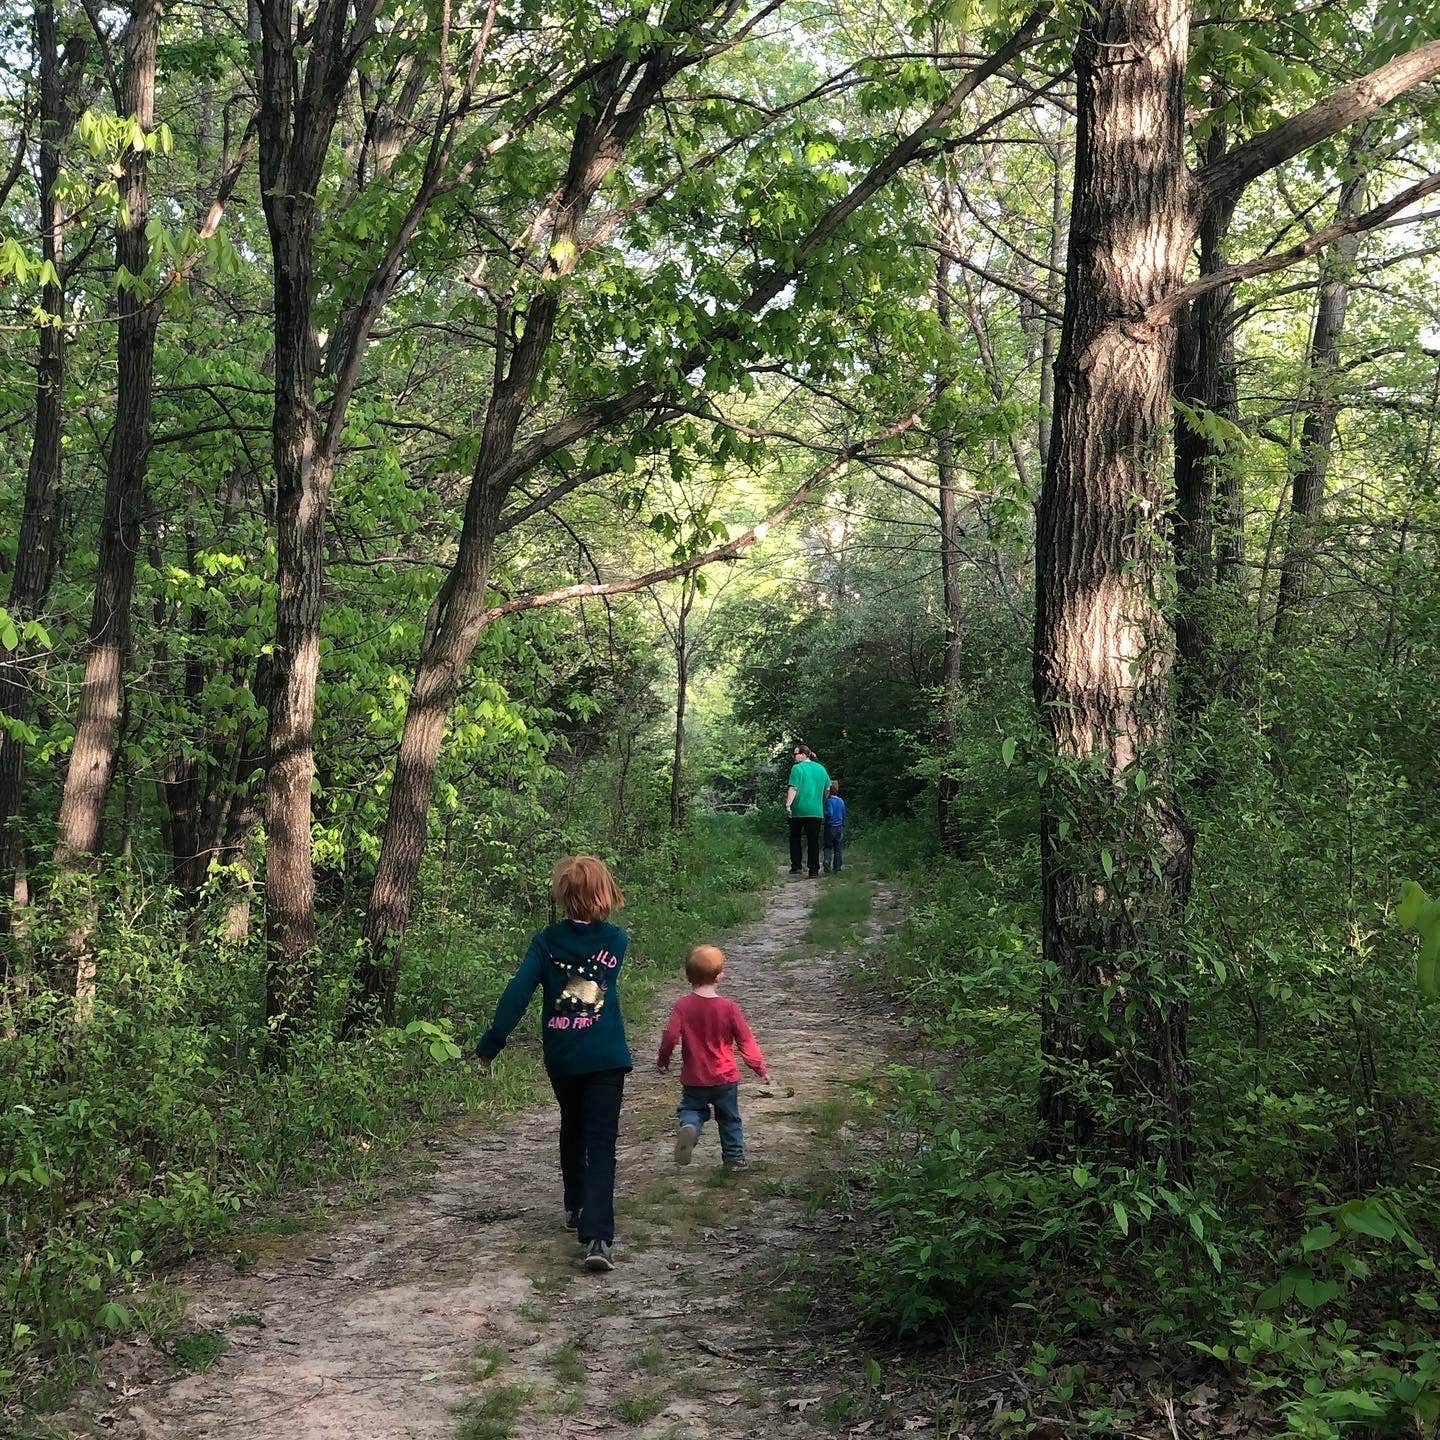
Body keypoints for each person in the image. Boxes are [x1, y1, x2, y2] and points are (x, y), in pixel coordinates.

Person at [475, 855, 630, 1273]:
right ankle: (598, 1236)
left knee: (573, 1127)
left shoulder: (544, 942)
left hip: (563, 1055)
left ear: (562, 896)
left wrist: (493, 1041)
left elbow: (517, 992)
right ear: (604, 894)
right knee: (601, 1141)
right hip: (606, 1055)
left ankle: (575, 1206)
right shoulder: (616, 940)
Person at [657, 943, 769, 1169]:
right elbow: (746, 1040)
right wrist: (759, 1067)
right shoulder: (729, 1007)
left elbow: (670, 1036)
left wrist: (663, 1060)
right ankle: (735, 1159)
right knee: (729, 1119)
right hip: (725, 1077)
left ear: (688, 975)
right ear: (719, 976)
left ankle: (690, 1127)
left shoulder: (683, 1006)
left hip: (695, 1077)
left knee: (691, 1110)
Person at [785, 743, 831, 878]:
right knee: (813, 840)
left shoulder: (797, 768)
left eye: (796, 754)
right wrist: (821, 802)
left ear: (803, 755)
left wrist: (788, 805)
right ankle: (814, 869)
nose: (794, 757)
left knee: (795, 838)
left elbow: (793, 788)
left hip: (798, 811)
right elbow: (828, 789)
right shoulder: (821, 769)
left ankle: (796, 866)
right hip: (816, 811)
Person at [823, 782, 846, 874]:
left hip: (830, 826)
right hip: (839, 827)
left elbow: (829, 813)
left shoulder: (828, 801)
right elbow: (844, 814)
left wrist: (825, 818)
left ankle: (827, 860)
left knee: (828, 846)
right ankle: (837, 868)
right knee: (838, 848)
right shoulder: (841, 801)